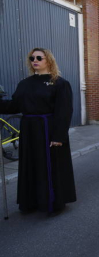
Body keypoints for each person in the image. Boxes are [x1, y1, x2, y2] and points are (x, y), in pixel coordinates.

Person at [0, 48, 76, 214]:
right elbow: (14, 105)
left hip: (49, 129)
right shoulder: (25, 84)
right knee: (31, 165)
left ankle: (53, 203)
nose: (35, 60)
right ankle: (31, 202)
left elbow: (64, 111)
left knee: (50, 166)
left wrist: (58, 136)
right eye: (32, 58)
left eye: (39, 58)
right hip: (29, 130)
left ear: (48, 60)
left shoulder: (59, 83)